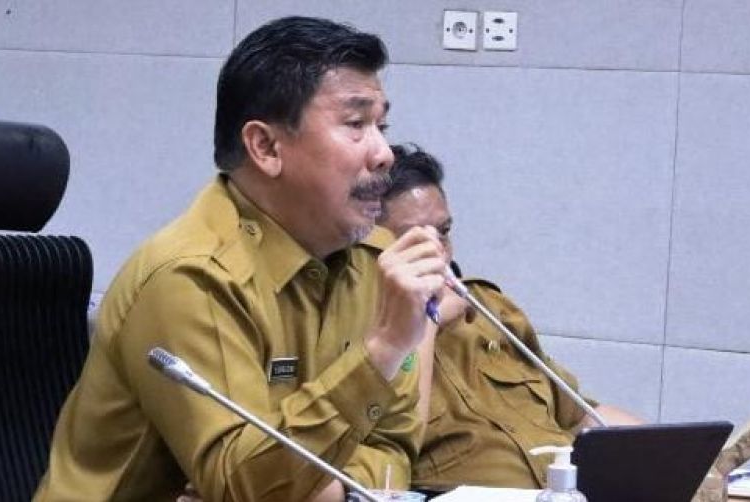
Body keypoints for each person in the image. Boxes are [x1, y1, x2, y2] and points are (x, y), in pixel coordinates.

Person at [34, 18, 449, 502]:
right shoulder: (192, 275)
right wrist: (383, 349)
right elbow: (247, 490)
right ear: (266, 147)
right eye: (356, 124)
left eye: (382, 126)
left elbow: (394, 448)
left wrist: (322, 488)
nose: (384, 154)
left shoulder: (373, 260)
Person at [378, 143, 642, 491]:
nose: (438, 251)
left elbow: (580, 415)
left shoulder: (489, 307)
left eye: (443, 231)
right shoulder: (374, 334)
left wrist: (669, 453)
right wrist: (429, 319)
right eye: (414, 238)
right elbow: (398, 438)